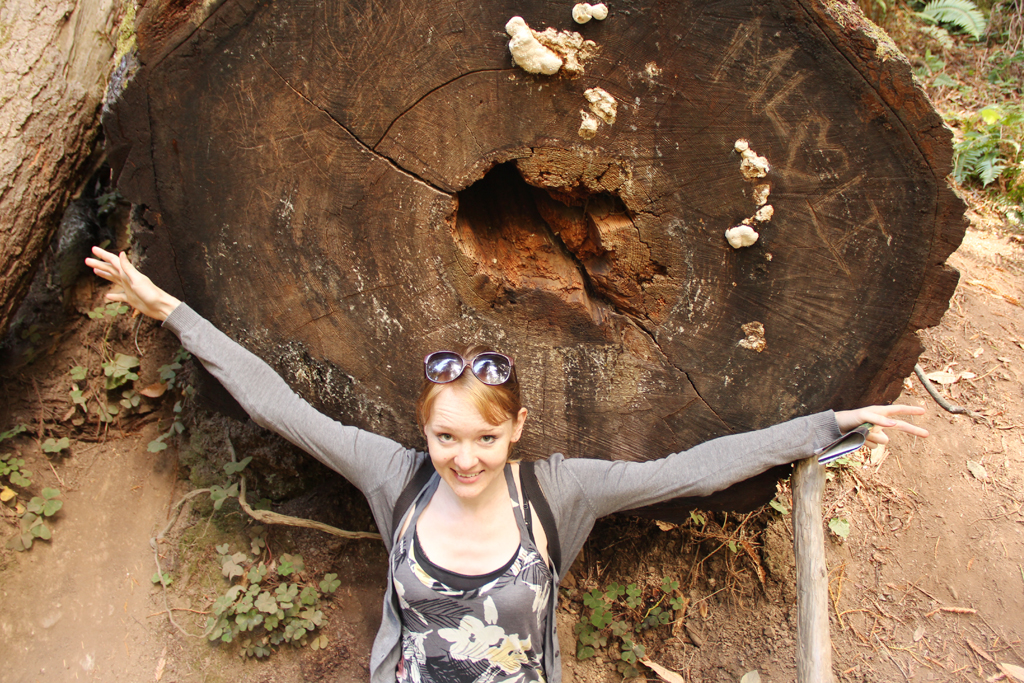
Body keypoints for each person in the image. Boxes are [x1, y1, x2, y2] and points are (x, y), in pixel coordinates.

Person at [86, 246, 928, 683]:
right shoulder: (394, 476)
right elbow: (279, 406)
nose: (465, 458)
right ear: (424, 430)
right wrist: (168, 310)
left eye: (485, 439)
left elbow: (693, 468)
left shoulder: (559, 492)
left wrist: (824, 425)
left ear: (517, 428)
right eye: (446, 437)